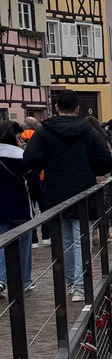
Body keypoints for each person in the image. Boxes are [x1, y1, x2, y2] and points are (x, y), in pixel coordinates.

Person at [23, 91, 112, 303]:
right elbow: (105, 162)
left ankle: (72, 283)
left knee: (64, 240)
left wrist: (47, 167)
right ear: (78, 108)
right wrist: (90, 170)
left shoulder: (44, 131)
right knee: (82, 239)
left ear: (56, 108)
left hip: (56, 192)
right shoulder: (89, 132)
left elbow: (30, 158)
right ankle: (81, 286)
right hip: (84, 190)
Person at [0, 120, 36, 296]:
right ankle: (24, 280)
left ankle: (1, 280)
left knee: (1, 245)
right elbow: (33, 182)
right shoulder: (22, 157)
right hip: (21, 206)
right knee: (23, 245)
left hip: (0, 208)